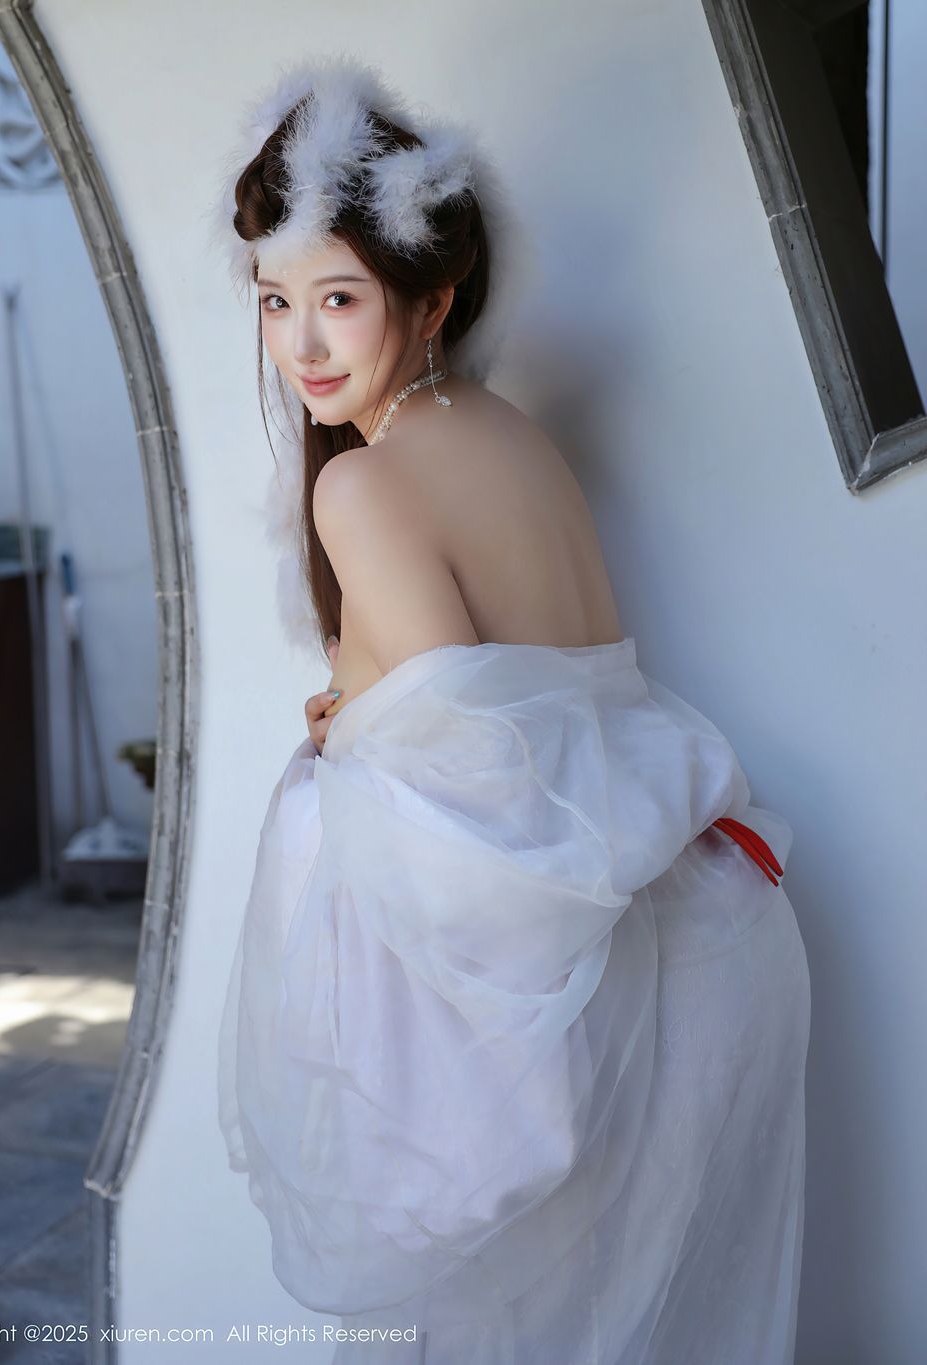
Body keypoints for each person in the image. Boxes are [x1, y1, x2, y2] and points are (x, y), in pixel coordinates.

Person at [214, 53, 811, 1365]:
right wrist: (364, 705)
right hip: (698, 932)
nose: (301, 346)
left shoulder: (360, 486)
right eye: (274, 302)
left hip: (586, 1006)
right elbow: (509, 694)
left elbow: (473, 788)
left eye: (338, 299)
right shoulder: (507, 429)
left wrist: (352, 735)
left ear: (430, 298)